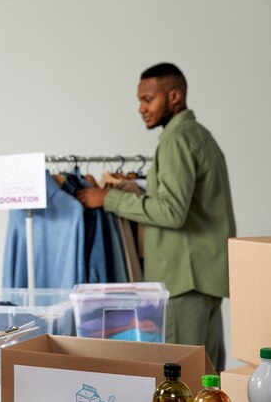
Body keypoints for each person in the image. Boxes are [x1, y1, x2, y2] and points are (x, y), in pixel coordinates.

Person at [76, 62, 236, 372]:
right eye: (140, 100)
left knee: (181, 377)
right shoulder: (200, 135)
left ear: (174, 96)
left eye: (148, 99)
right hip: (206, 278)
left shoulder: (176, 140)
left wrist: (109, 198)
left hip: (184, 280)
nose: (141, 108)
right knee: (210, 377)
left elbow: (172, 211)